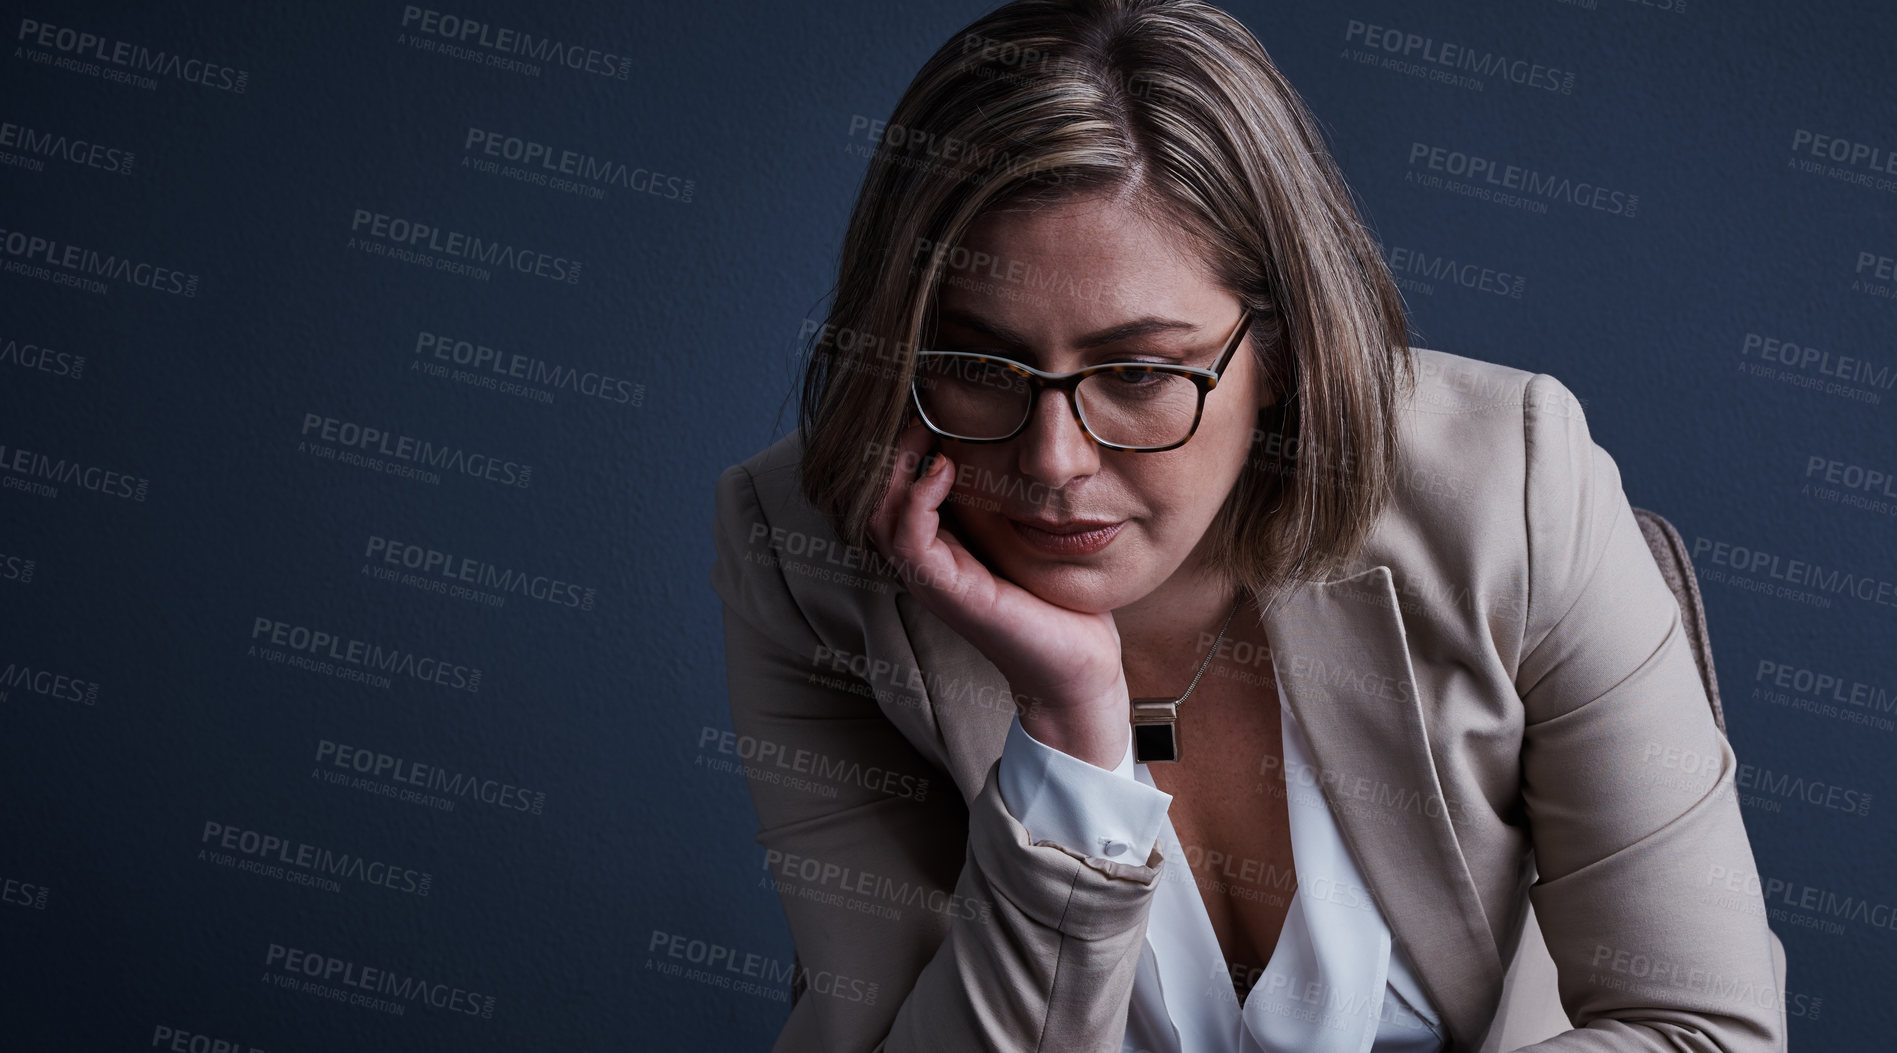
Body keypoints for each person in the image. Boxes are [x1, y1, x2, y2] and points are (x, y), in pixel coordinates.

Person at [709, 1, 1787, 1049]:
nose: (1052, 461)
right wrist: (1069, 742)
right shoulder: (809, 557)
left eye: (1137, 371)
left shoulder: (1510, 489)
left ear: (1277, 350)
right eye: (978, 366)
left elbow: (1700, 1029)